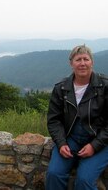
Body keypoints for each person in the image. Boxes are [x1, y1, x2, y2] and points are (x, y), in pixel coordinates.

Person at [46, 44, 108, 190]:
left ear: (92, 62)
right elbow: (54, 120)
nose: (82, 63)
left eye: (86, 59)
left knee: (84, 180)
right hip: (71, 139)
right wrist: (61, 143)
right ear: (71, 63)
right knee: (53, 174)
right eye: (78, 59)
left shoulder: (104, 86)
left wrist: (94, 146)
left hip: (101, 140)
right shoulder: (61, 88)